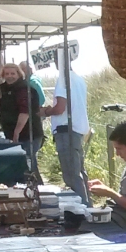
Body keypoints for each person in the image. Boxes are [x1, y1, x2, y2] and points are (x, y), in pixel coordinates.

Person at [46, 58, 90, 202]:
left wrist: (45, 111)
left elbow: (60, 108)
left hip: (66, 131)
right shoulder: (79, 79)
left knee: (71, 174)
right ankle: (87, 203)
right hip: (77, 130)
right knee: (79, 172)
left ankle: (82, 207)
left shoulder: (63, 80)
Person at [0, 62, 42, 182]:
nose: (9, 76)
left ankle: (39, 189)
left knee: (29, 165)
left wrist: (16, 132)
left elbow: (24, 112)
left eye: (13, 73)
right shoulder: (3, 89)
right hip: (13, 134)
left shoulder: (24, 89)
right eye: (7, 74)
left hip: (28, 133)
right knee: (24, 165)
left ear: (18, 74)